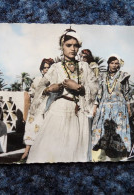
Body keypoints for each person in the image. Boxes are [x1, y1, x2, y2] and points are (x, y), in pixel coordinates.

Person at [26, 28, 98, 163]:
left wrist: (79, 87)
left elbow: (95, 88)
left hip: (78, 113)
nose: (72, 49)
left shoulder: (85, 67)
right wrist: (49, 89)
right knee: (54, 148)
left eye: (76, 46)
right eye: (68, 45)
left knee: (75, 149)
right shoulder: (56, 67)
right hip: (58, 110)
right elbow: (39, 88)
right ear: (62, 47)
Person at [92, 56, 132, 161]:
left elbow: (127, 93)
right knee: (105, 130)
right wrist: (95, 107)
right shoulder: (102, 76)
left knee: (118, 131)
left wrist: (128, 108)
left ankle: (118, 157)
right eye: (112, 63)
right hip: (105, 107)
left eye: (116, 63)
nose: (114, 65)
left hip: (119, 108)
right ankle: (104, 156)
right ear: (108, 64)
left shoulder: (123, 76)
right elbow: (99, 93)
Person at [21, 58, 55, 161]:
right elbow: (31, 92)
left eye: (48, 68)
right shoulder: (37, 80)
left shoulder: (54, 81)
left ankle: (41, 152)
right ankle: (26, 151)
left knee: (43, 126)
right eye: (44, 68)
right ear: (41, 69)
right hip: (36, 107)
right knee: (31, 126)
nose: (46, 70)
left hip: (48, 106)